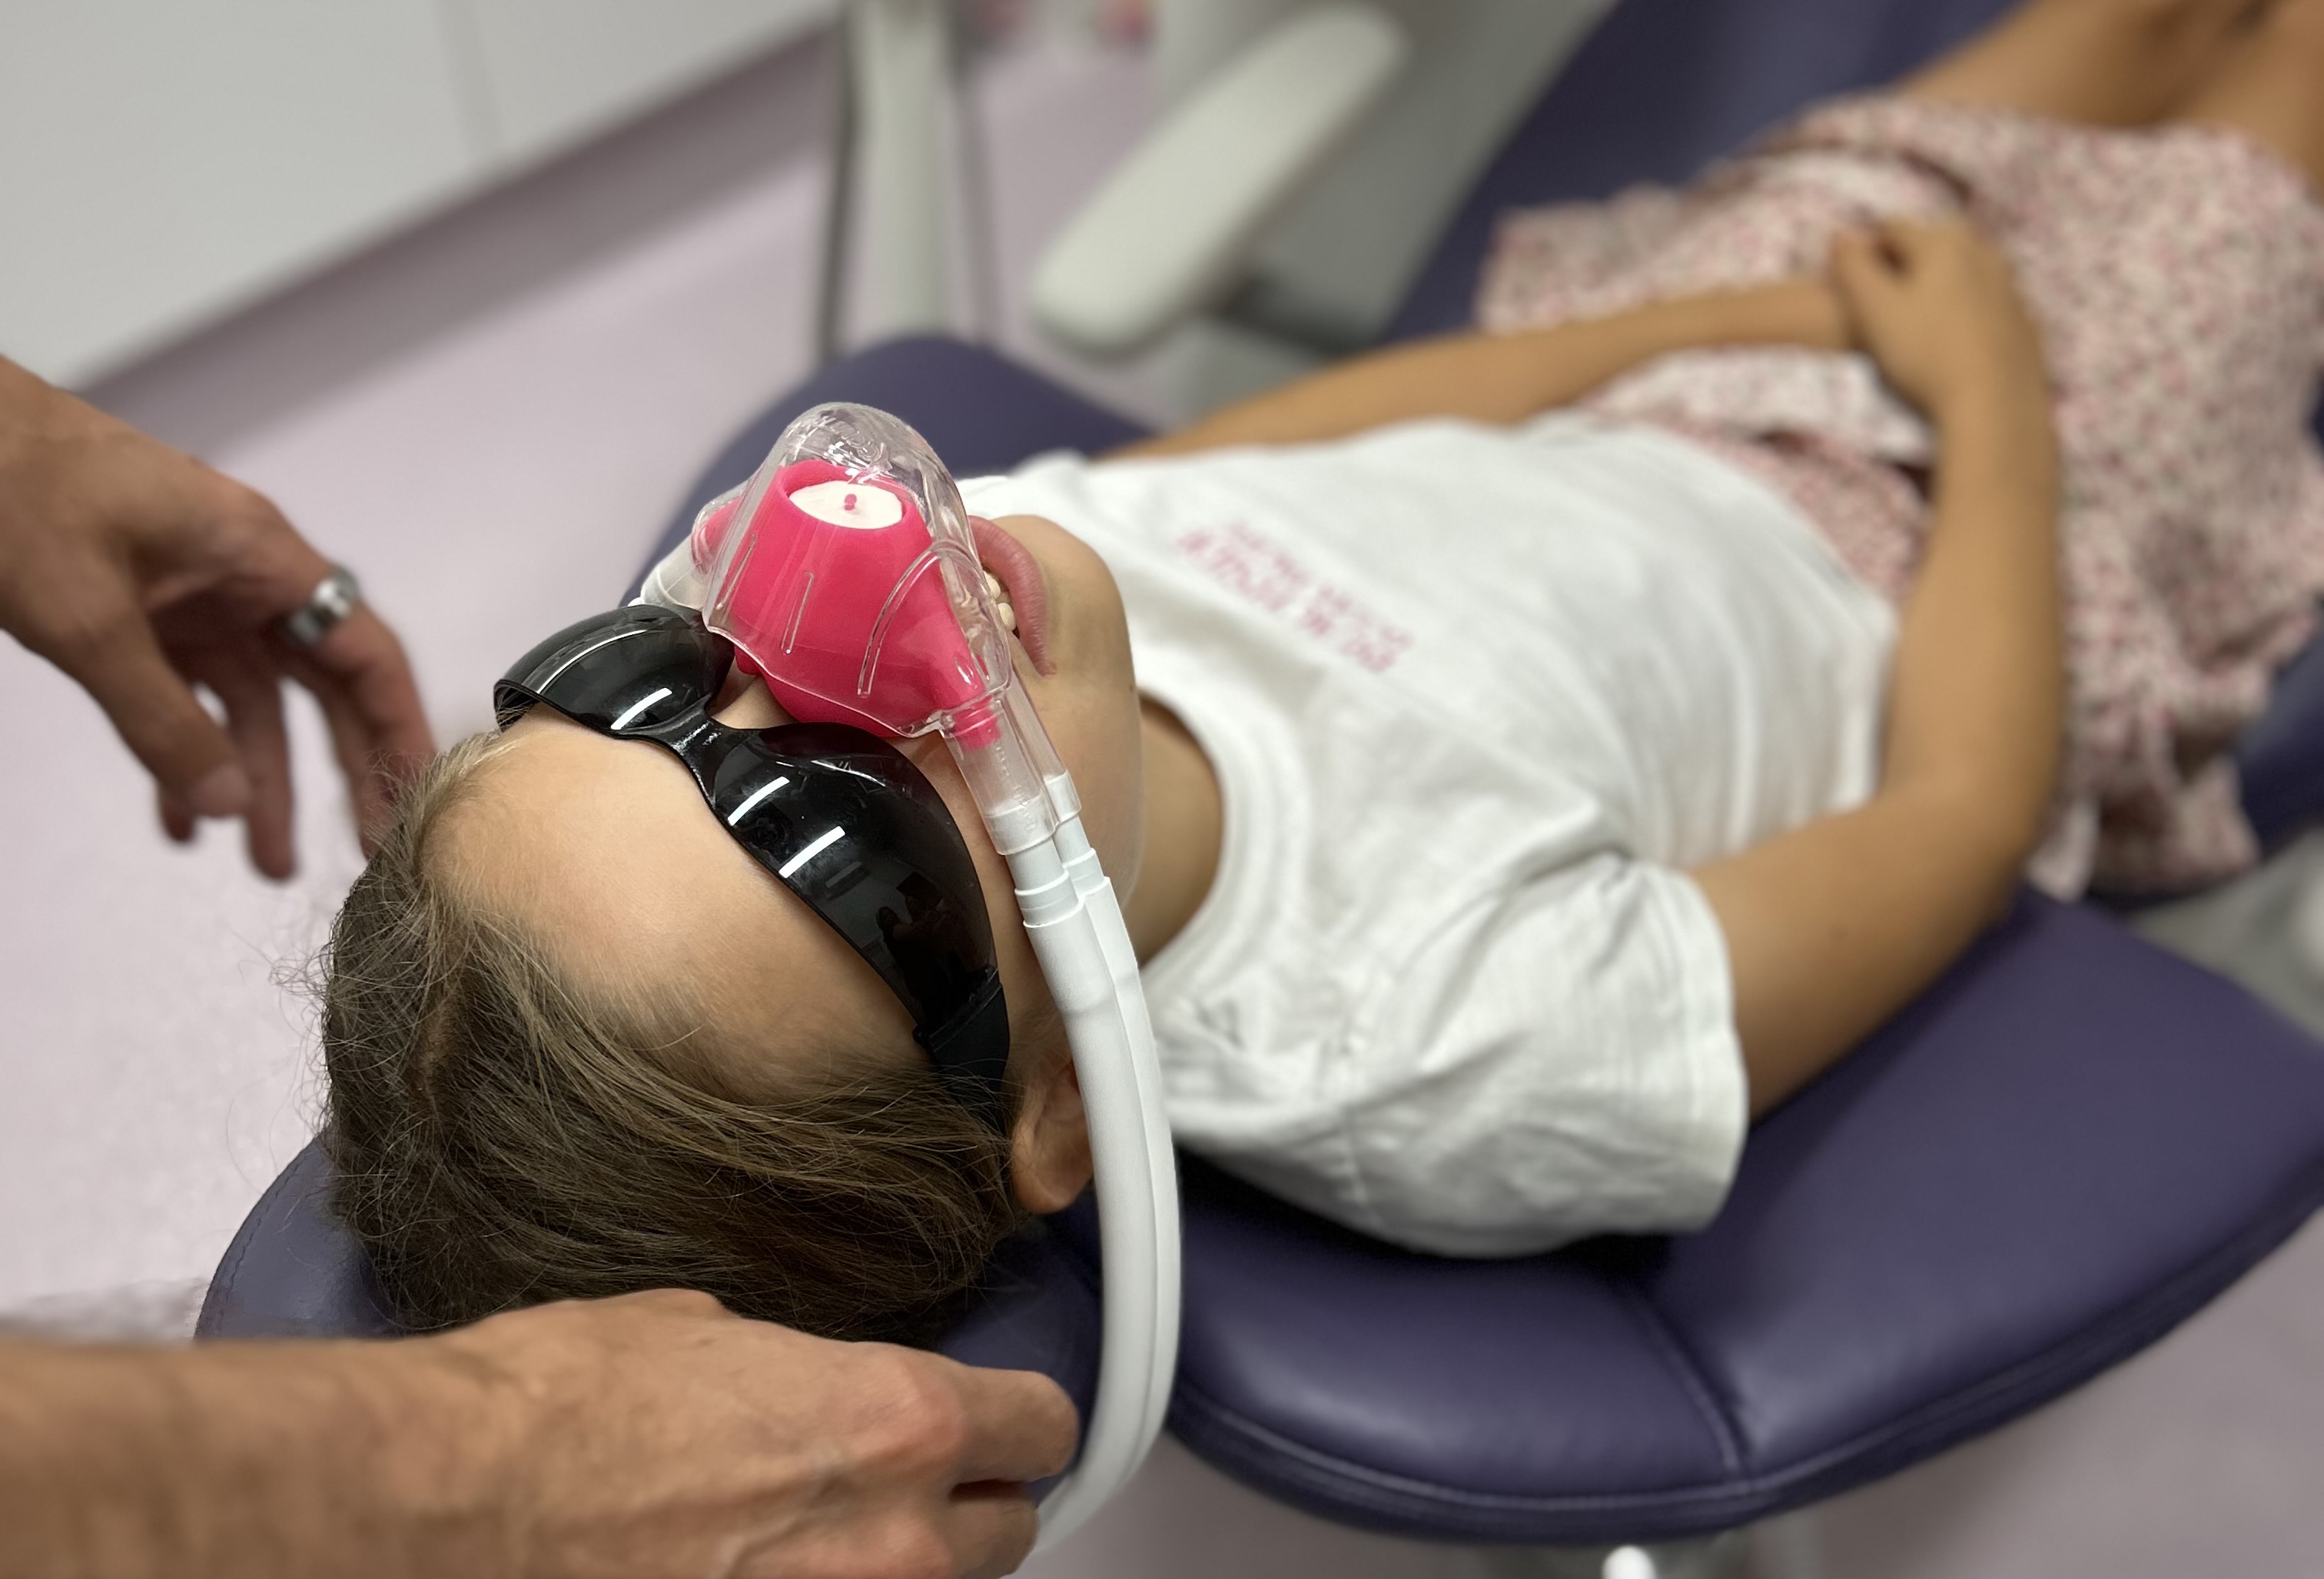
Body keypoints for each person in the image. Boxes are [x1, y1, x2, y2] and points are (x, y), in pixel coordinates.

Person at [317, 0, 2324, 1345]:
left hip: (1673, 372)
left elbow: (1361, 434)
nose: (822, 645)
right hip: (1971, 531)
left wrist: (1726, 311)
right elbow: (1960, 814)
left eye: (652, 665)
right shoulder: (1458, 1042)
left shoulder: (1038, 587)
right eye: (827, 830)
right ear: (1050, 1117)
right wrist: (1985, 398)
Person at [0, 355, 1074, 1577]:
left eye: (650, 662)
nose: (864, 580)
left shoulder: (1027, 555)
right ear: (1062, 1100)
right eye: (857, 818)